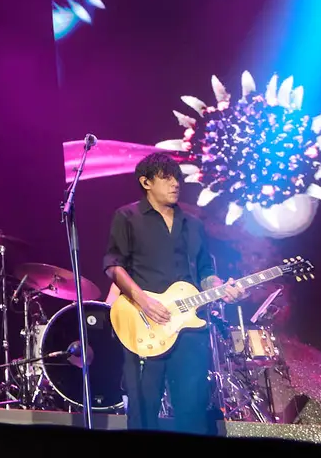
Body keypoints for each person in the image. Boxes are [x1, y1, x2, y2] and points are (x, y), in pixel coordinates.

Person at [103, 152, 244, 434]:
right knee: (143, 414)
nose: (175, 183)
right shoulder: (127, 217)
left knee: (192, 410)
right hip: (142, 324)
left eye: (177, 177)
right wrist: (144, 301)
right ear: (146, 182)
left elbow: (205, 272)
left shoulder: (194, 225)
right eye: (165, 178)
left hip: (189, 328)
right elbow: (113, 266)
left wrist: (221, 289)